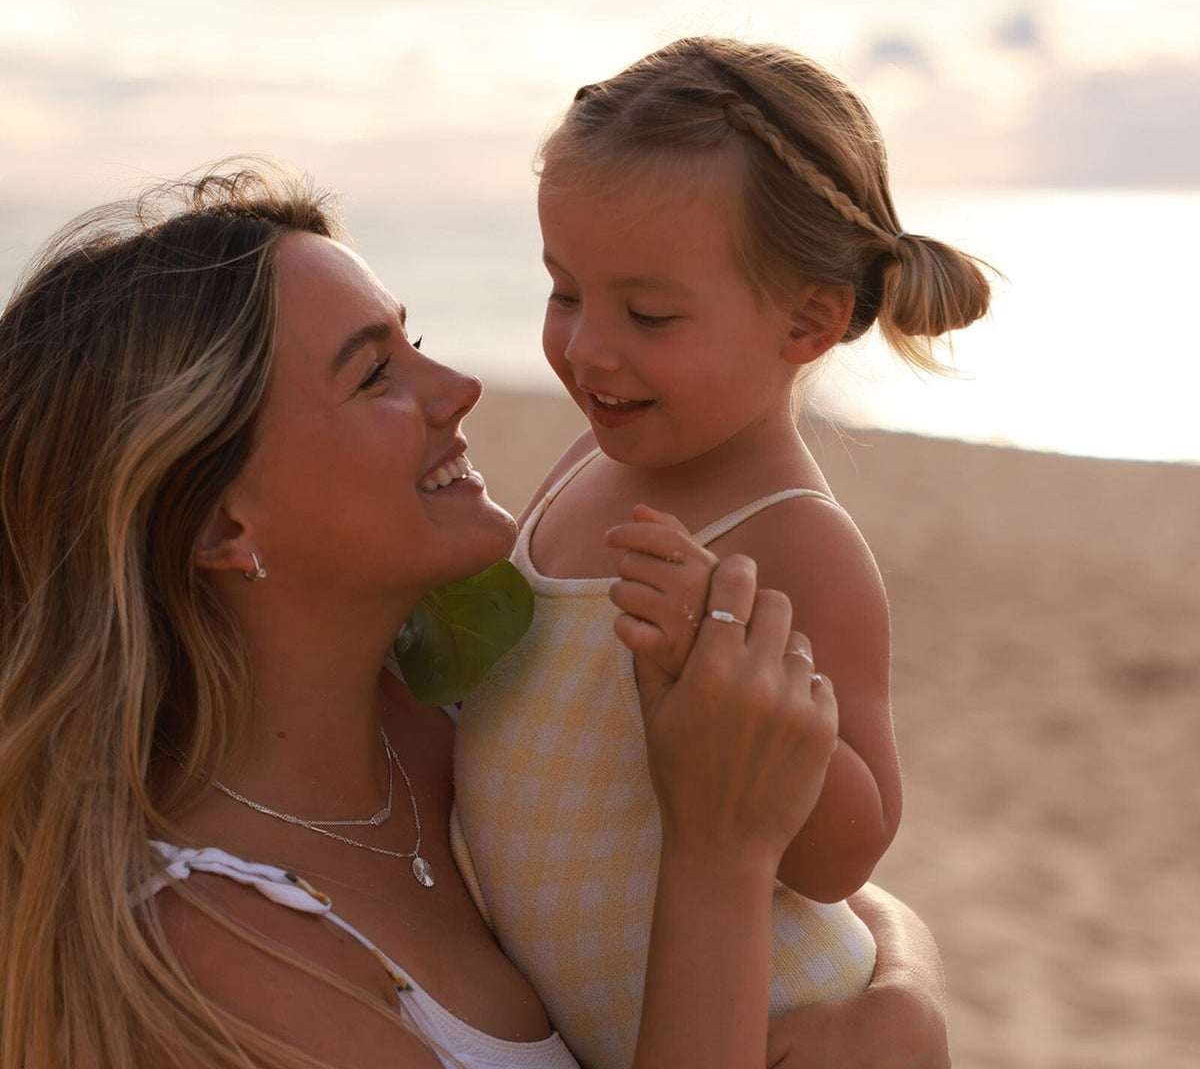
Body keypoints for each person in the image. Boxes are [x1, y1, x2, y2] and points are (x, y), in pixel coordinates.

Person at [0, 163, 949, 1069]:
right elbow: (730, 846)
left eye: (412, 339)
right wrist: (718, 860)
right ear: (219, 521)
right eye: (374, 374)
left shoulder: (459, 706)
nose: (458, 388)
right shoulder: (215, 948)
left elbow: (803, 882)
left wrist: (904, 990)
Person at [452, 36, 992, 1068]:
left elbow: (850, 850)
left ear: (808, 322)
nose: (586, 347)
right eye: (565, 292)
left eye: (647, 314)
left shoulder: (795, 541)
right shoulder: (577, 468)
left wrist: (730, 665)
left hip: (772, 1026)